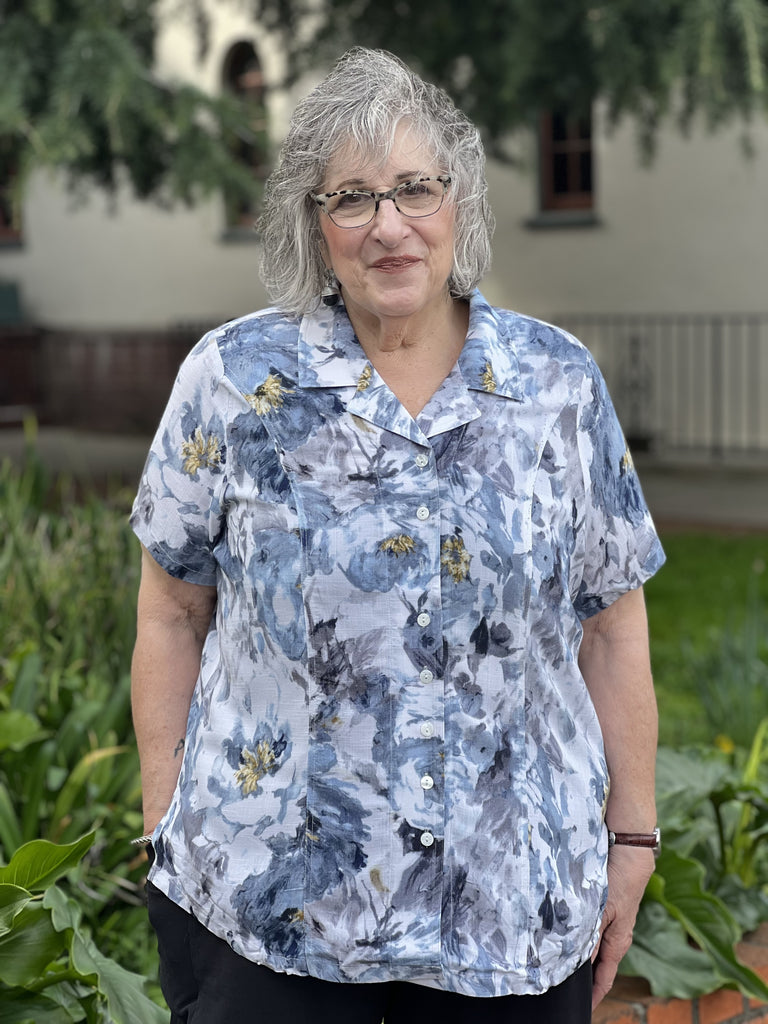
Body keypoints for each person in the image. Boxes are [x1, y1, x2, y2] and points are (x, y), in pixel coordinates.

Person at [130, 47, 665, 1024]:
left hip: (510, 913)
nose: (388, 226)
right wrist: (165, 818)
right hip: (270, 917)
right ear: (315, 224)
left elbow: (613, 625)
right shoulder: (234, 380)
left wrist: (633, 836)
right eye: (352, 199)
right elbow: (171, 611)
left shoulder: (556, 386)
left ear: (459, 201)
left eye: (416, 188)